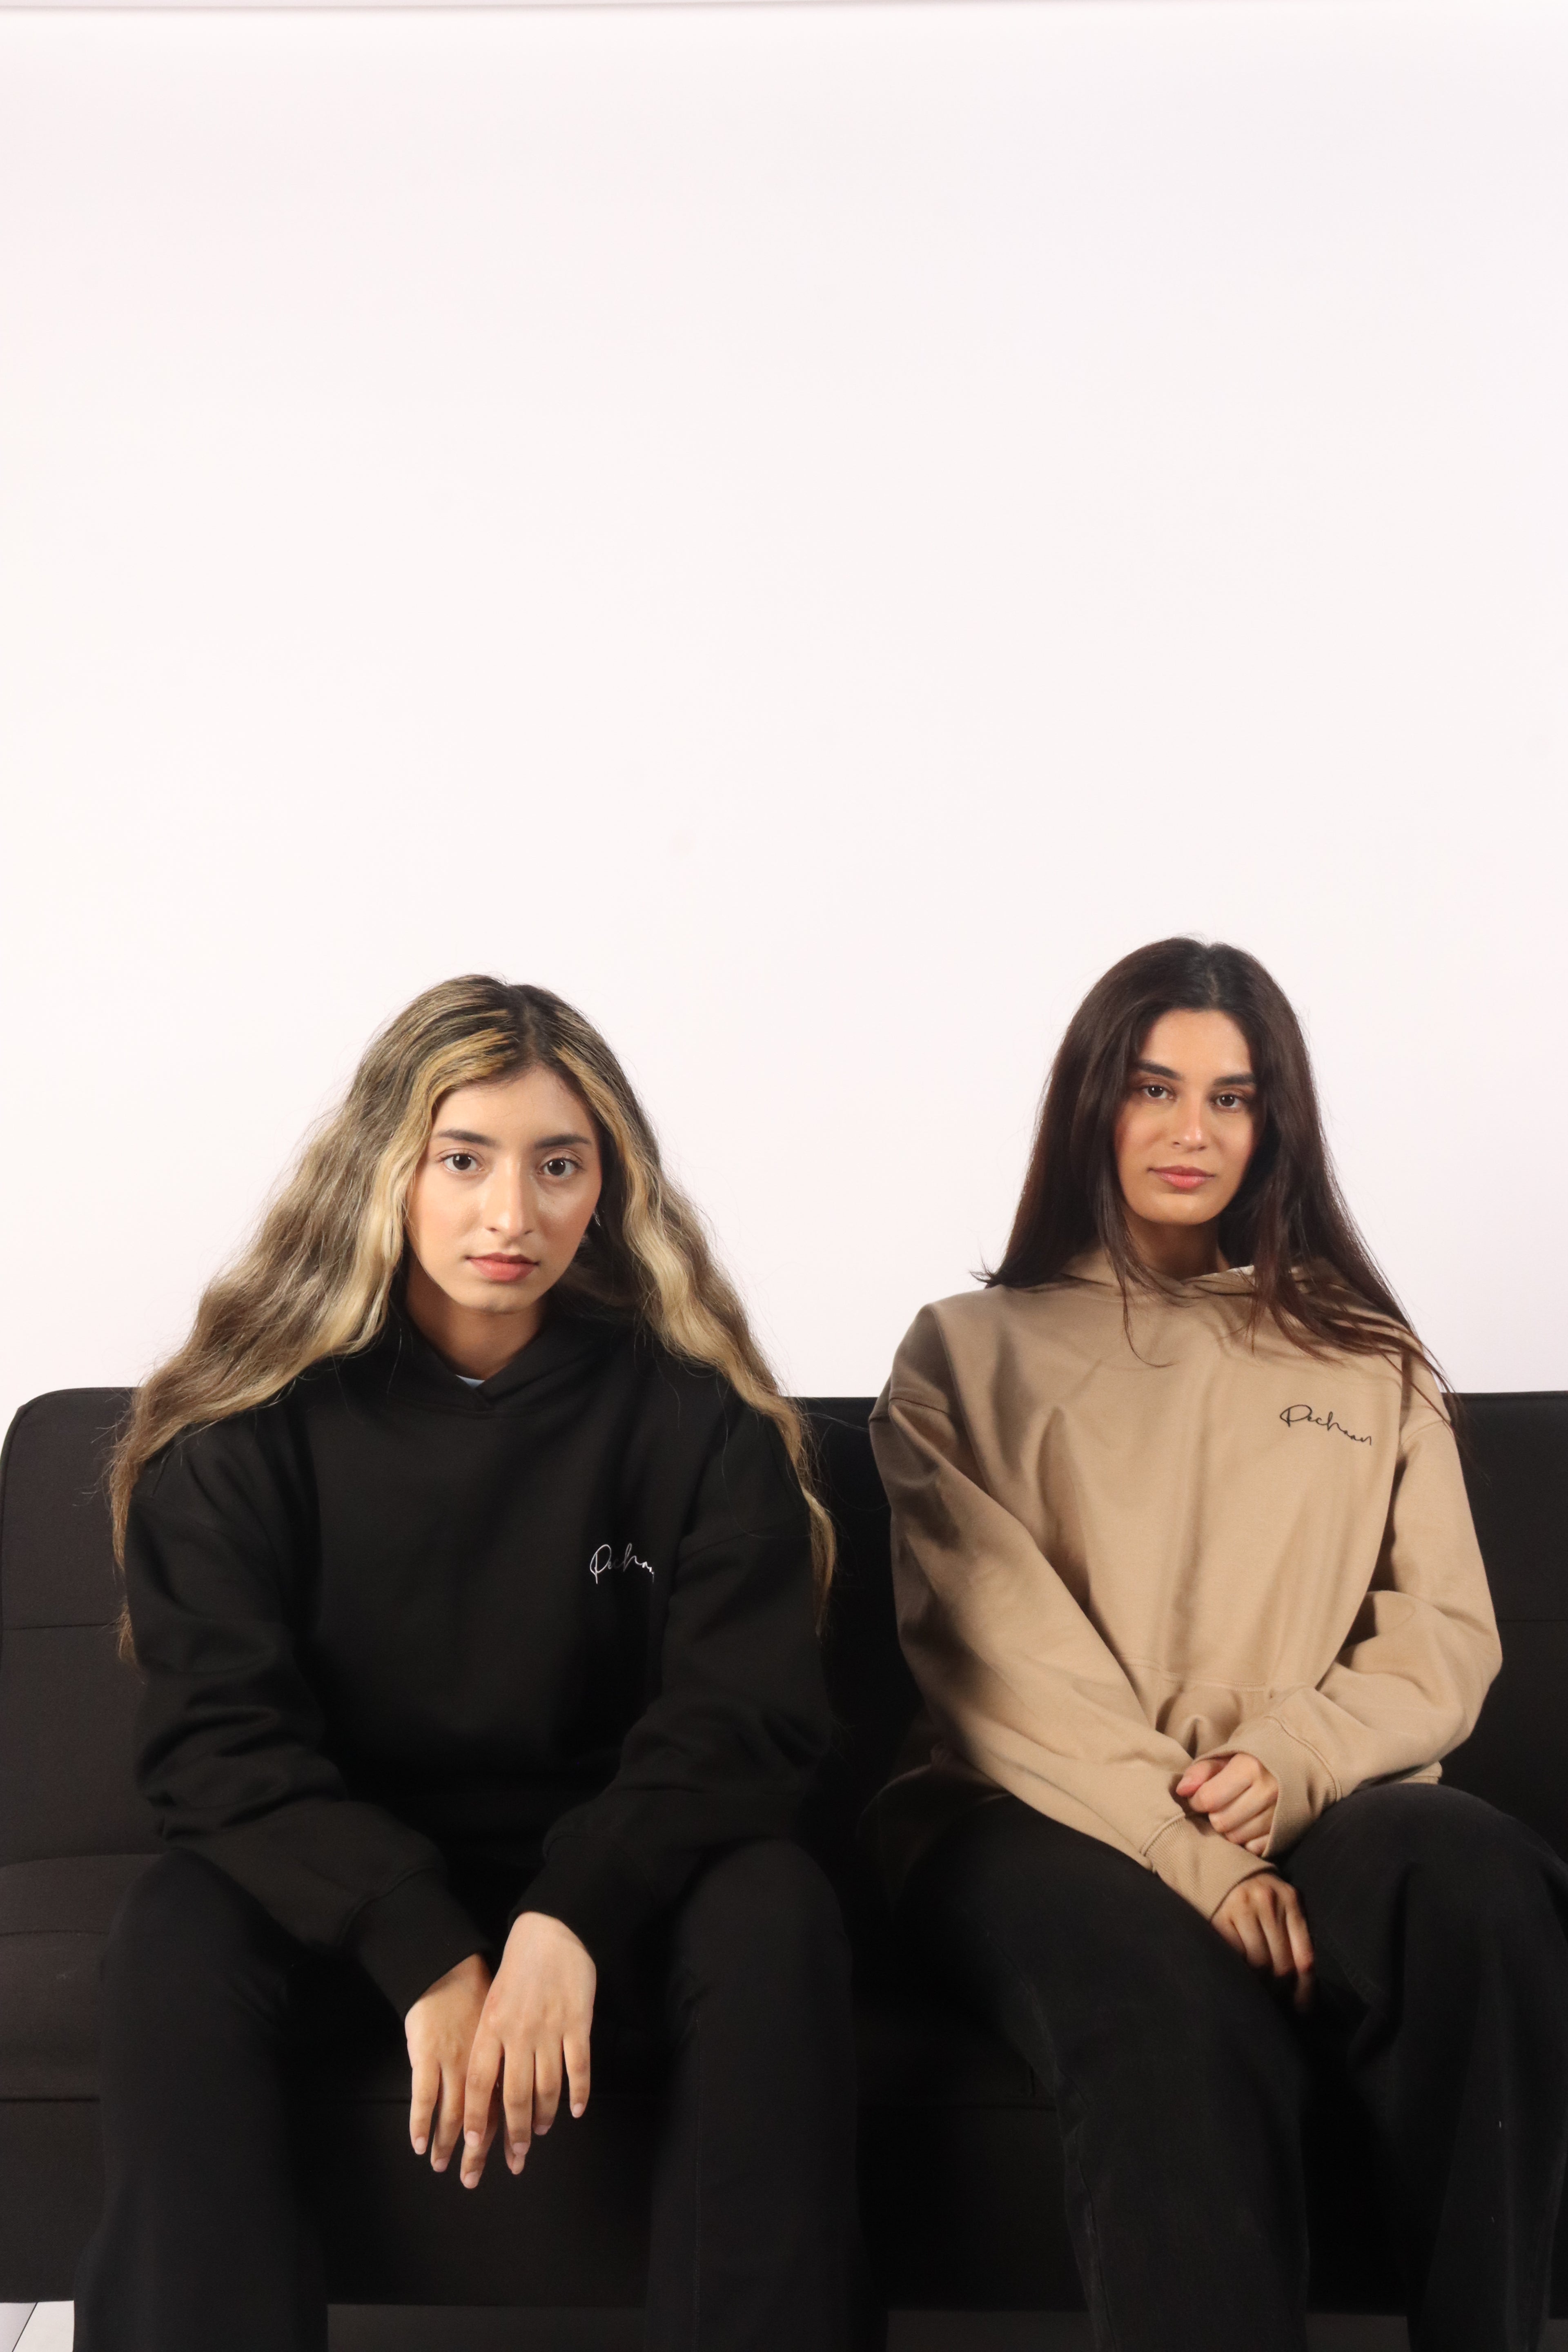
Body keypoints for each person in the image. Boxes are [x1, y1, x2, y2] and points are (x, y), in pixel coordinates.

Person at [76, 976, 857, 2352]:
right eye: (463, 1161)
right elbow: (218, 1746)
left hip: (619, 1869)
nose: (513, 1215)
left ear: (608, 1187)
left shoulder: (699, 1419)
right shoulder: (243, 1427)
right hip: (348, 1875)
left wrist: (569, 1919)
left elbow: (744, 1721)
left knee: (774, 1911)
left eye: (558, 1166)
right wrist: (426, 1948)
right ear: (387, 1167)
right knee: (175, 1935)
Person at [866, 937, 1568, 2352]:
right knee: (1170, 2001)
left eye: (1233, 1098)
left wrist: (1293, 1760)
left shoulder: (1364, 1358)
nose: (1193, 1131)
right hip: (1035, 1814)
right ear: (1093, 1104)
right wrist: (1189, 1849)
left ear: (1273, 1126)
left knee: (1482, 1886)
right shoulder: (965, 1352)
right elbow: (994, 1651)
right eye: (1154, 1088)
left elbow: (1442, 1635)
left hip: (1297, 1798)